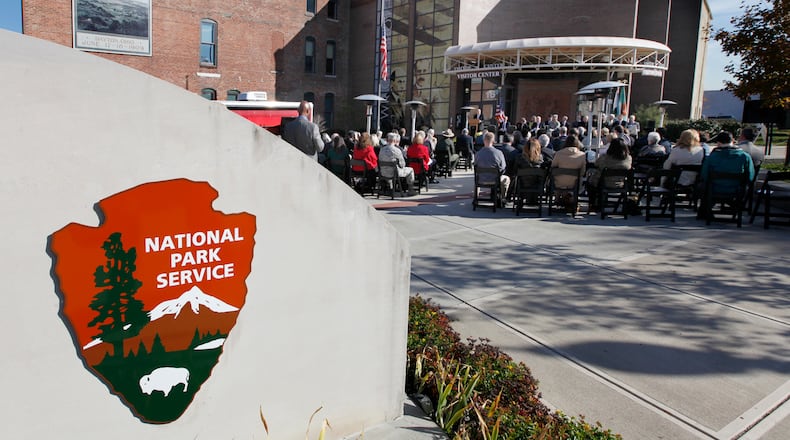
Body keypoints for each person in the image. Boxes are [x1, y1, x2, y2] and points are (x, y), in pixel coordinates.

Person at [701, 131, 754, 196]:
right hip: (737, 190)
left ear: (718, 142)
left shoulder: (712, 157)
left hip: (713, 189)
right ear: (732, 140)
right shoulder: (745, 156)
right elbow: (750, 176)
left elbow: (704, 174)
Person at [587, 137, 632, 211]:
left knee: (590, 183)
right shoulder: (628, 159)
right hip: (621, 184)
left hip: (603, 183)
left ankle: (593, 203)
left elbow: (596, 164)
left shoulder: (605, 158)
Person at [551, 135, 587, 212]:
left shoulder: (559, 153)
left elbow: (553, 167)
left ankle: (559, 198)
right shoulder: (582, 155)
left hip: (559, 182)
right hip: (574, 183)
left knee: (556, 177)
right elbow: (582, 172)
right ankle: (570, 198)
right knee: (580, 180)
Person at [475, 131, 510, 206]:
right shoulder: (499, 153)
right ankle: (502, 198)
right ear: (493, 141)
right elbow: (503, 167)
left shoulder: (478, 154)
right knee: (506, 179)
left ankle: (476, 198)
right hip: (495, 179)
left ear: (484, 140)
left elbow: (475, 165)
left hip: (481, 179)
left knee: (477, 176)